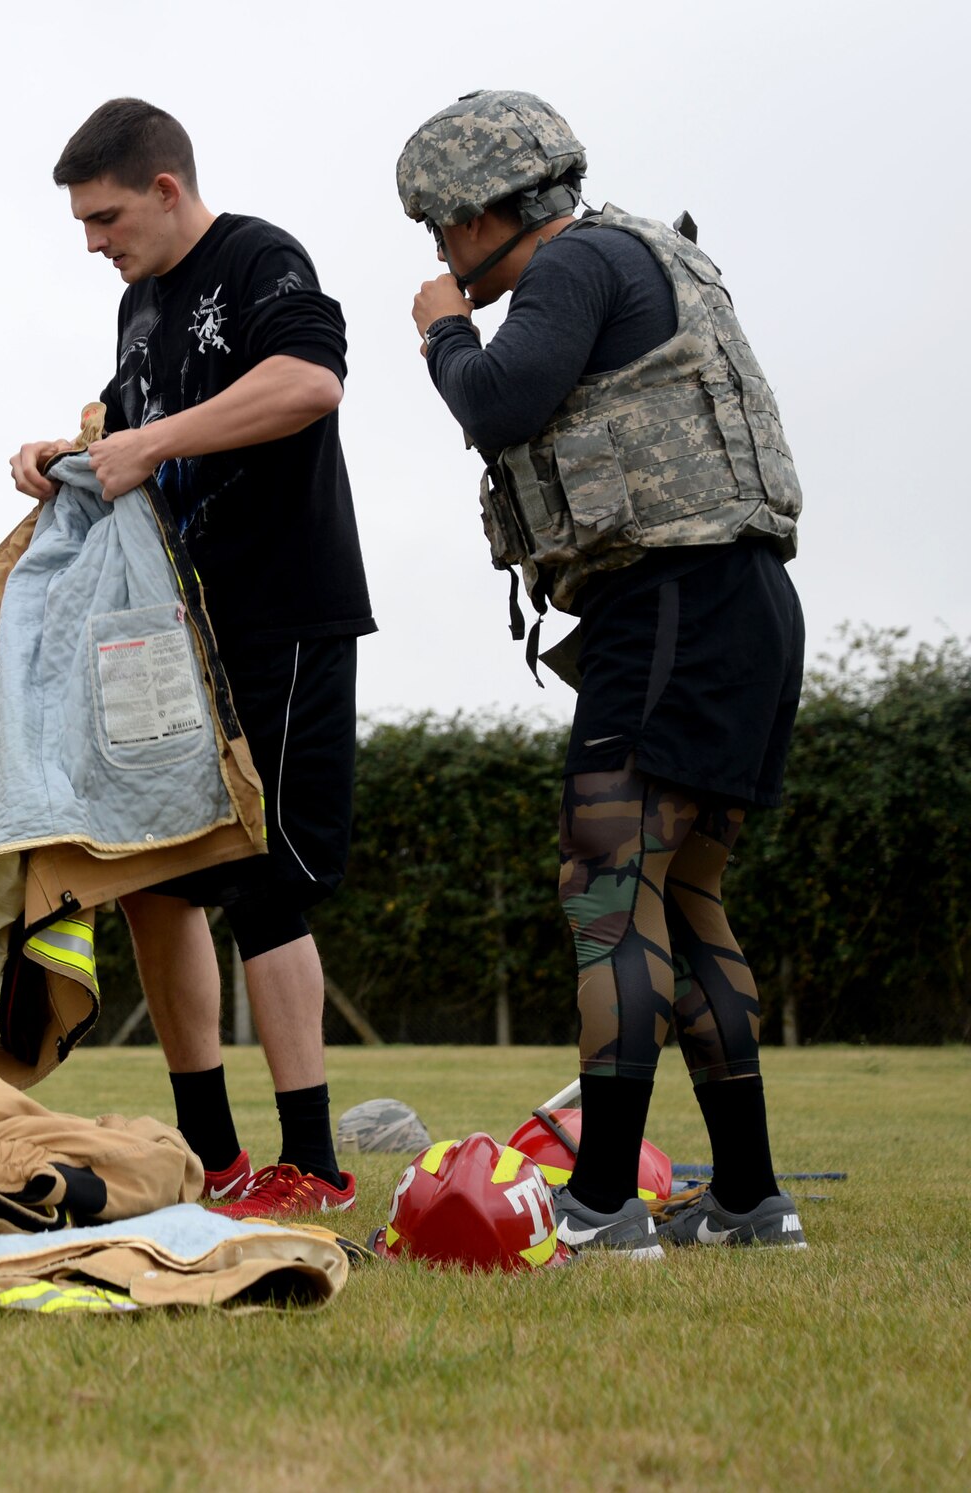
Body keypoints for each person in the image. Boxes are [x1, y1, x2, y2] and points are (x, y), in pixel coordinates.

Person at [398, 89, 808, 1253]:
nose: (438, 253)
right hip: (743, 605)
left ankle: (598, 1207)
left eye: (440, 228)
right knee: (686, 896)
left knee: (606, 893)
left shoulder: (572, 265)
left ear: (489, 208)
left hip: (667, 603)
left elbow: (496, 400)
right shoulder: (655, 257)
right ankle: (746, 1201)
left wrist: (438, 329)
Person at [9, 99, 375, 1220]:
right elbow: (134, 434)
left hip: (281, 617)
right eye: (81, 221)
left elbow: (308, 384)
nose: (92, 241)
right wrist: (64, 453)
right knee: (154, 885)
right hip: (173, 639)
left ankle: (307, 1164)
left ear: (165, 189)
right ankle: (212, 1159)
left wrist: (146, 441)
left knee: (268, 890)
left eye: (105, 215)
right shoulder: (138, 303)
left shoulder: (257, 255)